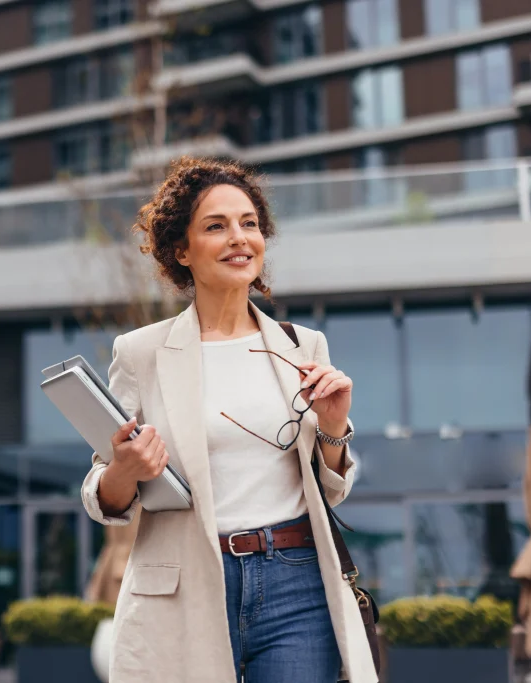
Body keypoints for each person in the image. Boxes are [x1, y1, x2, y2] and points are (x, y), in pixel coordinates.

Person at [81, 157, 378, 683]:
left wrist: (334, 427)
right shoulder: (141, 353)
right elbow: (102, 497)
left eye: (249, 223)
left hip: (296, 580)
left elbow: (329, 490)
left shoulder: (301, 345)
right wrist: (125, 470)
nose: (239, 238)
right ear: (181, 250)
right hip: (185, 582)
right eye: (216, 226)